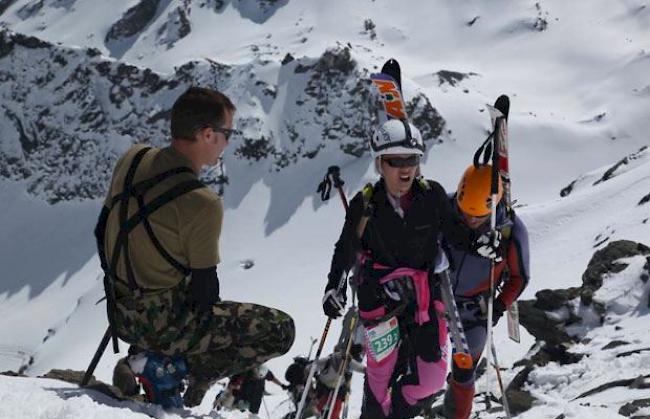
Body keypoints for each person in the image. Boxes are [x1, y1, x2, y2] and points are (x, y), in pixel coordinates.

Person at [95, 86, 295, 408]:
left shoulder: (132, 158)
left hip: (120, 313)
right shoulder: (202, 203)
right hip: (161, 326)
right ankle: (168, 368)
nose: (229, 142)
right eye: (227, 133)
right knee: (280, 330)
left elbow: (100, 230)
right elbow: (206, 294)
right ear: (207, 134)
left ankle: (150, 360)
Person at [322, 119, 501, 418]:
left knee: (431, 378)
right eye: (395, 160)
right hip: (380, 300)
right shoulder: (365, 204)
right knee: (378, 383)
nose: (405, 168)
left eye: (412, 159)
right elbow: (346, 247)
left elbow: (457, 234)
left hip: (424, 299)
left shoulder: (432, 196)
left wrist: (481, 243)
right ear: (380, 163)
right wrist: (334, 286)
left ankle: (399, 411)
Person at [441, 164, 530, 419]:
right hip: (435, 298)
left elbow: (520, 277)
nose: (469, 220)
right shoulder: (443, 209)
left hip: (474, 310)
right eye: (464, 213)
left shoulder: (510, 230)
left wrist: (500, 306)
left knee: (464, 368)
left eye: (477, 216)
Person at [214, 364, 288, 418]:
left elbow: (272, 378)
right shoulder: (246, 372)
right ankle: (220, 402)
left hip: (255, 397)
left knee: (251, 413)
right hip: (241, 394)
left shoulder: (264, 372)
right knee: (230, 406)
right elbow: (234, 383)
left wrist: (281, 385)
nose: (257, 377)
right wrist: (234, 391)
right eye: (256, 376)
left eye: (260, 377)